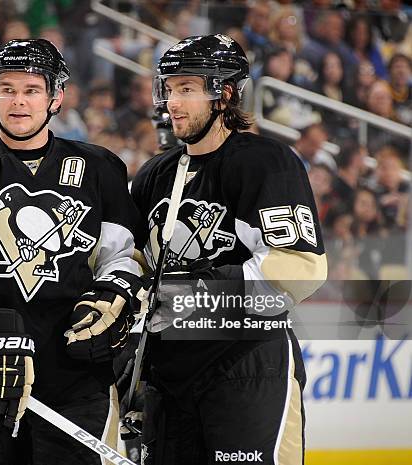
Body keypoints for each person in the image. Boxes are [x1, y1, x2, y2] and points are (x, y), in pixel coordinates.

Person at [0, 39, 145, 465]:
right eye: (8, 89)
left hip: (73, 376)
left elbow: (123, 255)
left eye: (31, 90)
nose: (18, 101)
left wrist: (114, 293)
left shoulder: (101, 168)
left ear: (55, 97)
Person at [130, 34, 327, 465]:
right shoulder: (154, 174)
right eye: (169, 89)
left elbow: (299, 267)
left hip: (245, 366)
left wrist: (195, 291)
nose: (172, 103)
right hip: (170, 376)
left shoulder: (265, 162)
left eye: (186, 89)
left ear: (225, 94)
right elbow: (138, 264)